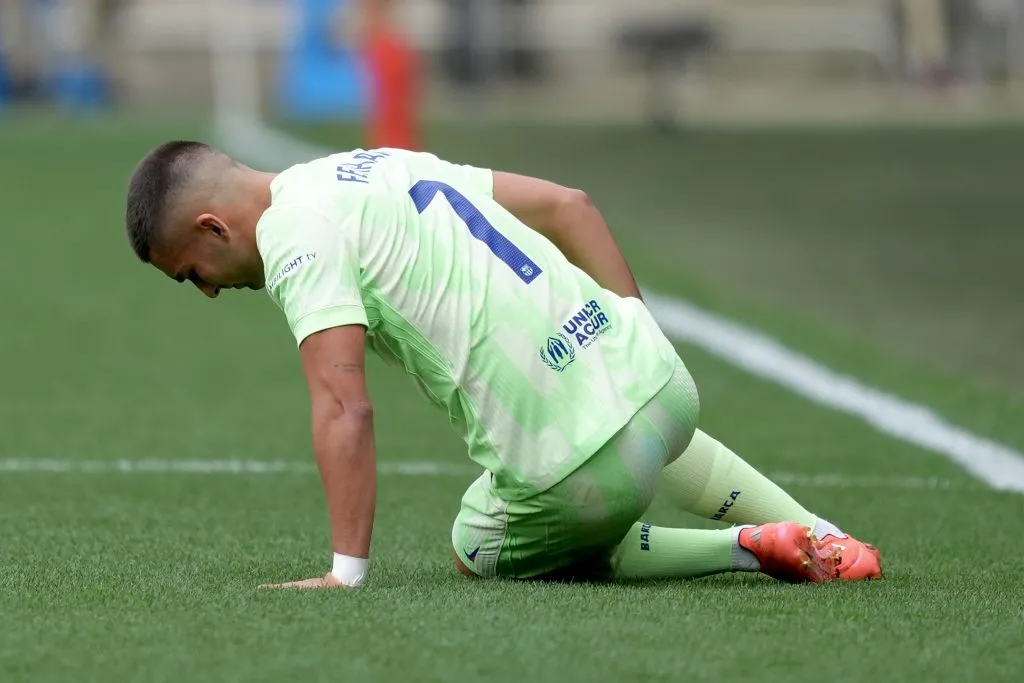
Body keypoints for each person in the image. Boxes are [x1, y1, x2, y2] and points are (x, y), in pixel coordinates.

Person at [122, 141, 883, 589]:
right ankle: (825, 534)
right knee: (634, 421)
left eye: (193, 272)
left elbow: (342, 404)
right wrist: (637, 333)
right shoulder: (366, 163)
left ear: (213, 226)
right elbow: (571, 203)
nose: (210, 291)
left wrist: (344, 573)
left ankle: (743, 549)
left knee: (477, 544)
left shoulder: (295, 234)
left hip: (582, 476)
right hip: (666, 387)